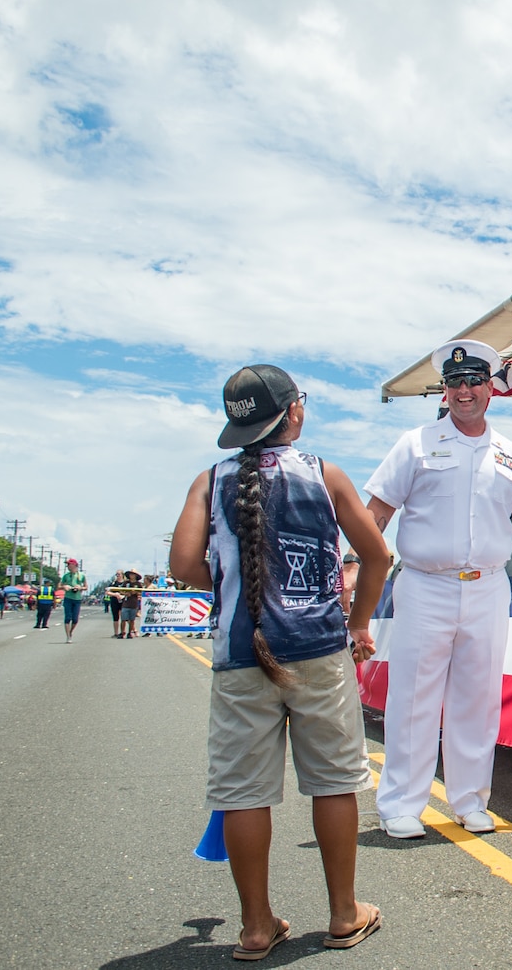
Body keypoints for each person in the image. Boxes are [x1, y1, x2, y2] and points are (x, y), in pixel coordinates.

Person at [169, 363, 390, 959]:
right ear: (294, 411)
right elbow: (377, 556)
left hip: (242, 654)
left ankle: (256, 927)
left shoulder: (209, 481)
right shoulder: (325, 474)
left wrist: (238, 578)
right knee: (334, 783)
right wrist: (358, 621)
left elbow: (184, 567)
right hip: (318, 648)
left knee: (243, 793)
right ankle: (344, 914)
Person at [365, 338, 512, 839]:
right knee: (413, 697)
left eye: (473, 380)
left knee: (477, 698)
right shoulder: (414, 445)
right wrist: (361, 568)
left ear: (490, 388)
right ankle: (401, 806)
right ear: (444, 391)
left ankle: (470, 801)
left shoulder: (510, 455)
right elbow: (376, 514)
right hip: (425, 586)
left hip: (487, 588)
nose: (463, 390)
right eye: (454, 382)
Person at [58, 557, 86, 643]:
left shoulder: (81, 575)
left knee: (75, 619)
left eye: (69, 564)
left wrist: (80, 587)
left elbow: (85, 587)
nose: (67, 566)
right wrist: (64, 587)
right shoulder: (66, 576)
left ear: (74, 565)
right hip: (68, 598)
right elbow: (59, 586)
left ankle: (70, 632)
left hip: (77, 599)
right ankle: (68, 636)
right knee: (67, 617)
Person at [120, 571, 142, 639]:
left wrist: (135, 592)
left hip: (134, 603)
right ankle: (122, 632)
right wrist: (125, 593)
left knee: (132, 620)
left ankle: (130, 632)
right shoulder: (126, 583)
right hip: (126, 603)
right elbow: (121, 590)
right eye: (130, 574)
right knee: (123, 619)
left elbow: (141, 592)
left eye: (133, 574)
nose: (131, 575)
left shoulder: (138, 584)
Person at [108, 570, 125, 637]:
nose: (118, 576)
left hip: (123, 601)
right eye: (116, 574)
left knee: (124, 617)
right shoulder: (113, 583)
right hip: (114, 601)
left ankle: (123, 632)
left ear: (122, 575)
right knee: (115, 617)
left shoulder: (125, 583)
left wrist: (122, 595)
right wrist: (115, 594)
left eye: (119, 574)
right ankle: (116, 633)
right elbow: (107, 592)